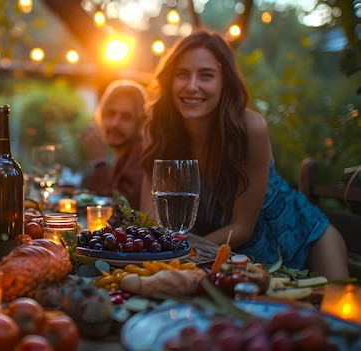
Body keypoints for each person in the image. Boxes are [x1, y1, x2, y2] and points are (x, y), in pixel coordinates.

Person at [139, 30, 349, 280]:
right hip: (225, 260)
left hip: (306, 240)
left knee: (335, 316)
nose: (192, 86)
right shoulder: (157, 132)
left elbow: (241, 228)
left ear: (224, 82)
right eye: (182, 75)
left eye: (206, 75)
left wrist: (182, 255)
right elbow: (150, 219)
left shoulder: (250, 128)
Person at [79, 79, 147, 210]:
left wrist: (100, 163)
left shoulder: (142, 154)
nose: (115, 123)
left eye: (126, 117)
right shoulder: (124, 155)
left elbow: (119, 209)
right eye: (110, 114)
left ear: (140, 122)